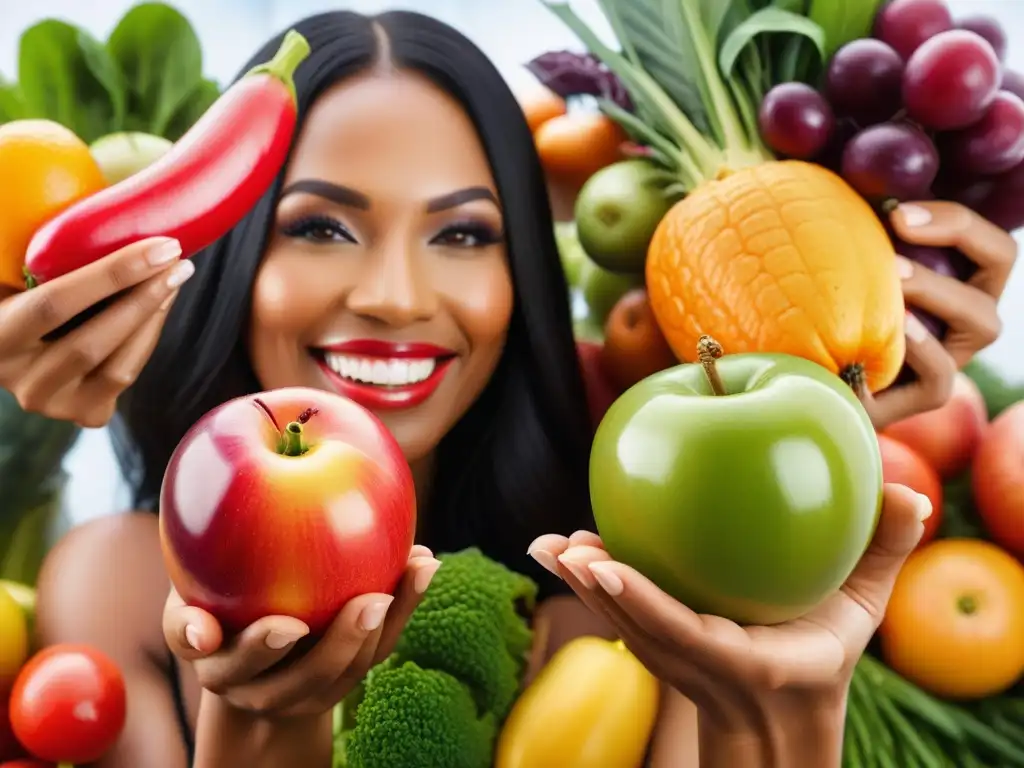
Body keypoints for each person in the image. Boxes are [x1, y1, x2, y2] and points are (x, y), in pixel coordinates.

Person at [0, 10, 1014, 768]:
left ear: (521, 272)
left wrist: (786, 710)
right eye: (318, 226)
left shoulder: (629, 593)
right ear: (230, 264)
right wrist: (265, 728)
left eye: (462, 234)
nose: (395, 297)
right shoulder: (125, 582)